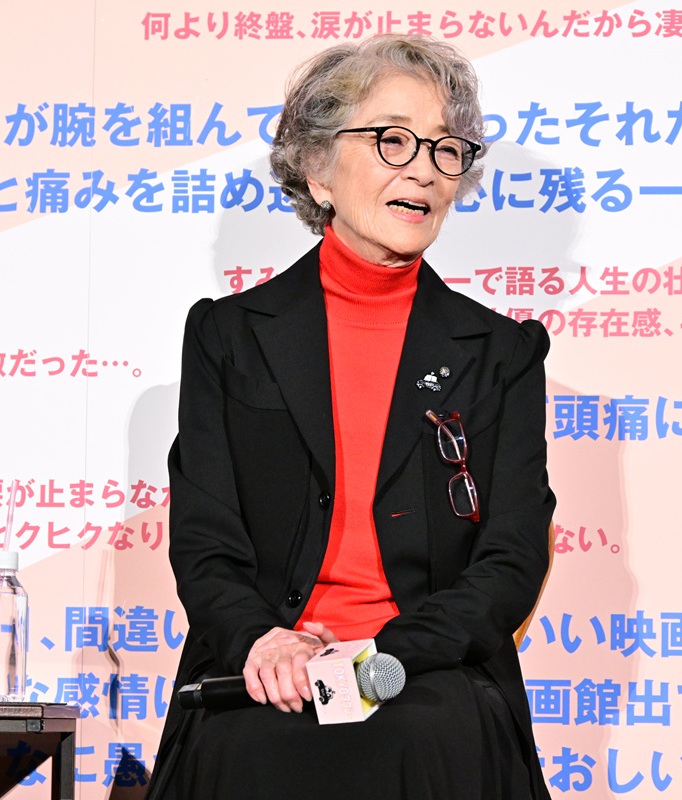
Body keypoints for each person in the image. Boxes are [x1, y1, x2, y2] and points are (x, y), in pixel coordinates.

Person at [147, 34, 555, 800]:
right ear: (317, 167)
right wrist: (263, 642)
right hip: (264, 668)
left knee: (421, 734)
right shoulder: (229, 337)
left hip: (425, 671)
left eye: (446, 149)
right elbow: (205, 540)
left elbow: (511, 558)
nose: (424, 170)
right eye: (393, 140)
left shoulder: (500, 353)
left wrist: (385, 657)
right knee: (251, 743)